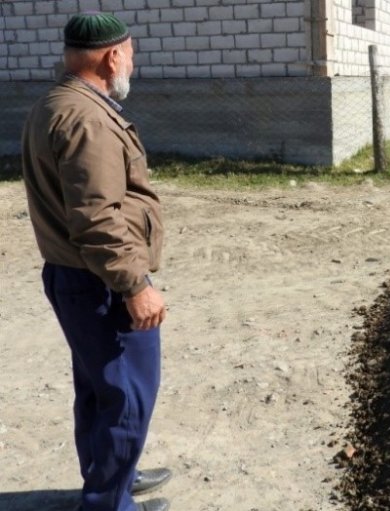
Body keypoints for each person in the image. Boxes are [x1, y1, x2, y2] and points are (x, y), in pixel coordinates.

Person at [21, 12, 171, 511]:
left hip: (74, 275)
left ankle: (112, 481)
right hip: (101, 282)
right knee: (126, 396)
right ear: (113, 56)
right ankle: (110, 503)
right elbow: (98, 219)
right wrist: (135, 285)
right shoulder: (88, 118)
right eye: (131, 52)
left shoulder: (55, 102)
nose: (133, 61)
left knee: (99, 390)